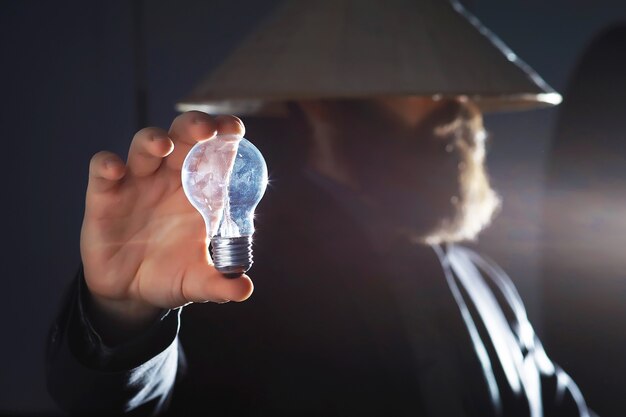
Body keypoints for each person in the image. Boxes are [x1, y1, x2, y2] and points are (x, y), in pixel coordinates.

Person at [45, 1, 595, 416]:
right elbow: (134, 403)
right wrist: (124, 321)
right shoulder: (218, 276)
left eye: (462, 88)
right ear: (323, 100)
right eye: (424, 83)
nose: (458, 104)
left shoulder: (489, 287)